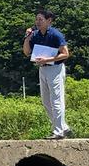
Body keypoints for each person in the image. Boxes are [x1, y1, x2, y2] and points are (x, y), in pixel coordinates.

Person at [23, 8, 71, 139]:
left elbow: (65, 54)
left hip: (55, 69)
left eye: (40, 19)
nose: (37, 22)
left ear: (49, 21)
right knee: (45, 101)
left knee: (56, 100)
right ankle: (64, 127)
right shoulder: (36, 34)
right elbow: (26, 52)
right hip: (42, 68)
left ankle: (58, 131)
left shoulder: (56, 34)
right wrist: (27, 38)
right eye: (36, 19)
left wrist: (48, 59)